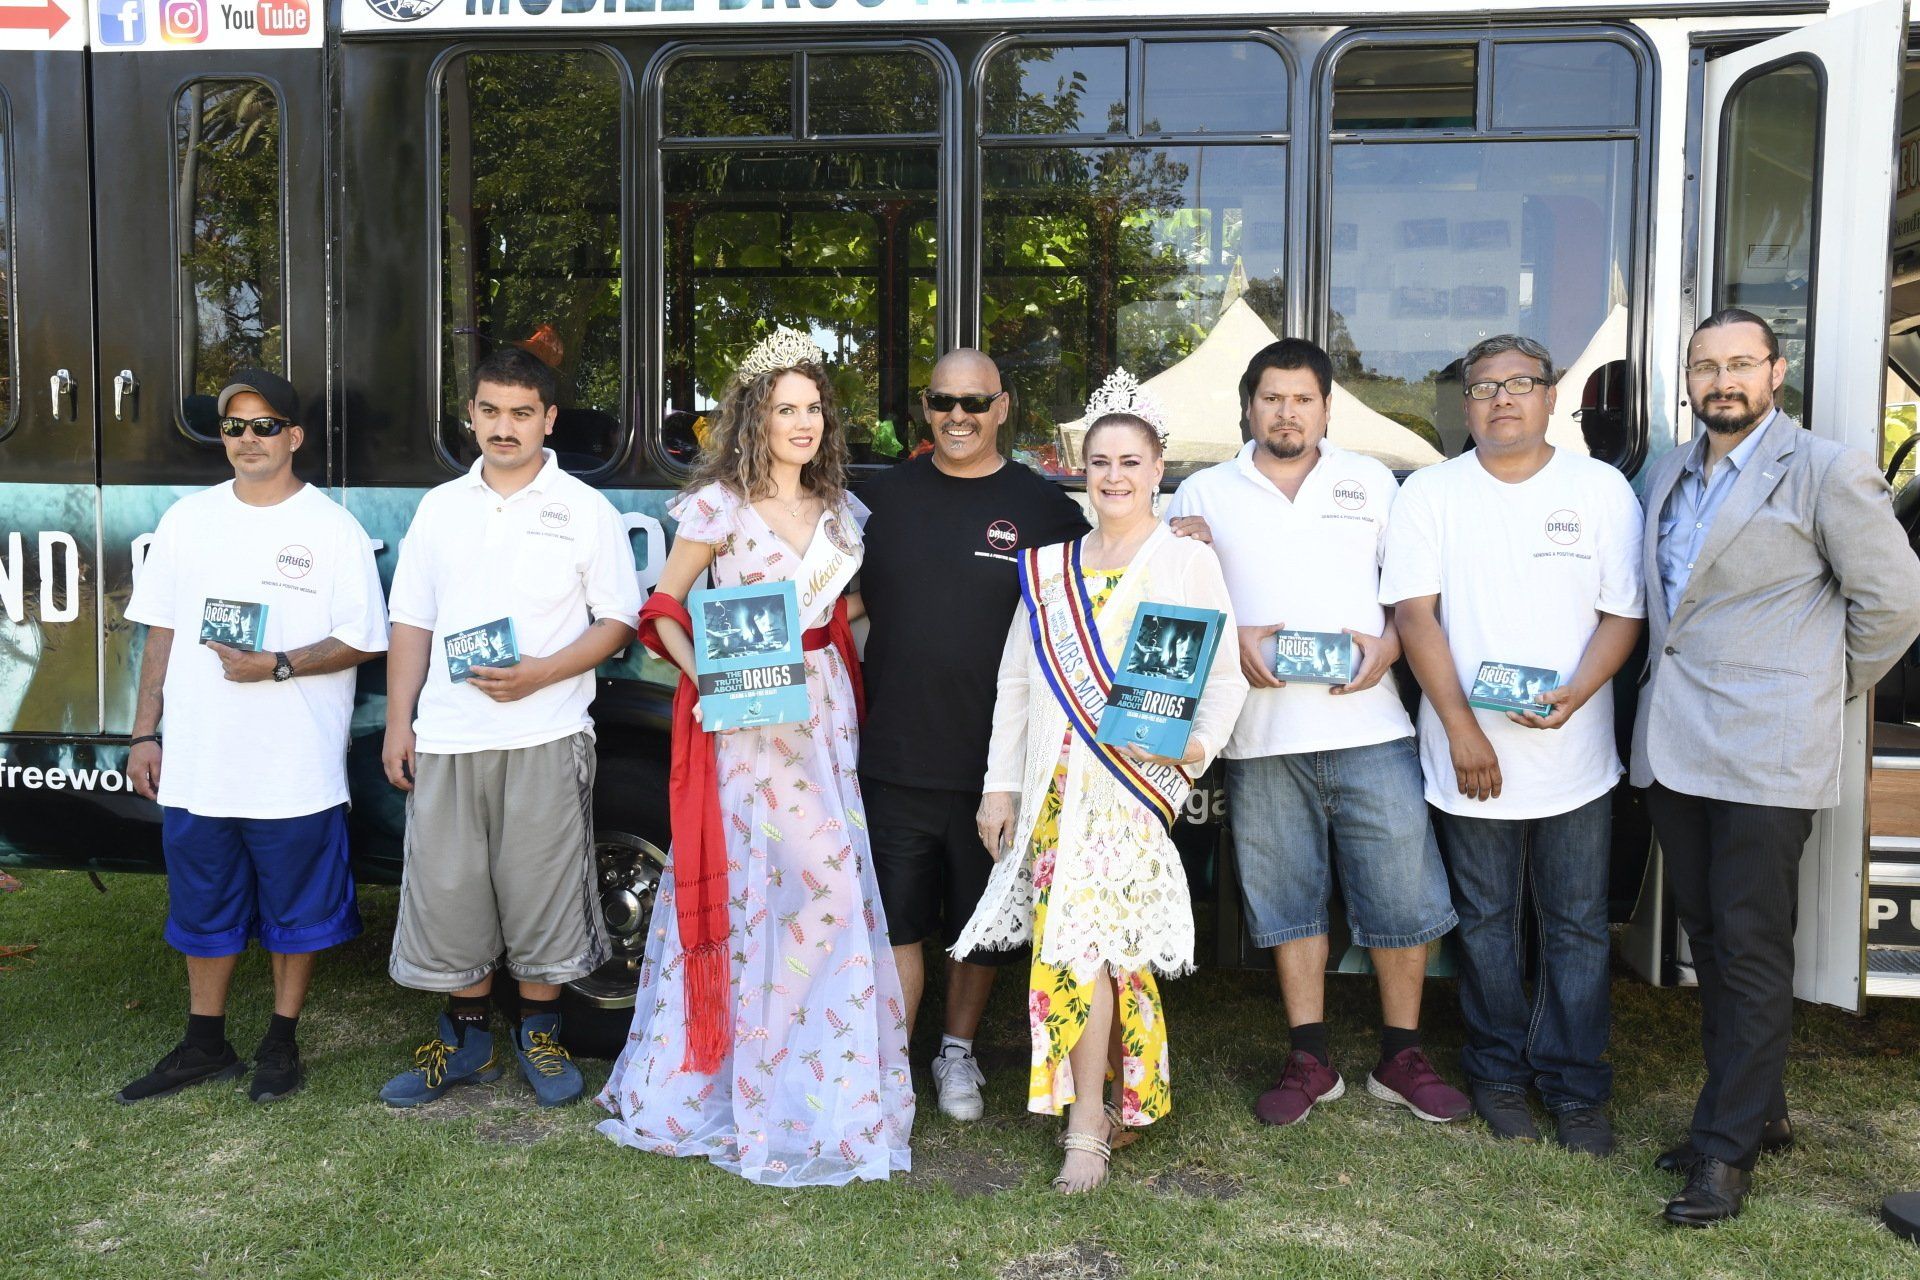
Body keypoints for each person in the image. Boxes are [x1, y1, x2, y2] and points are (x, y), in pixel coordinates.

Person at [595, 327, 915, 1186]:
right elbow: (660, 607)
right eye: (786, 410)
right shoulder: (718, 509)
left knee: (831, 893)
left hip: (824, 714)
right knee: (758, 896)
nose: (802, 424)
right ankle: (741, 1088)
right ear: (755, 419)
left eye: (813, 409)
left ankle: (818, 1085)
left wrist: (836, 658)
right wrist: (714, 684)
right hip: (744, 725)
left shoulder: (842, 511)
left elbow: (846, 615)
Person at [1634, 309, 1920, 1225]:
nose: (1723, 380)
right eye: (1706, 365)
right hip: (1675, 744)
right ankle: (1759, 1110)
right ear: (1688, 377)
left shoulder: (1828, 470)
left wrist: (1821, 688)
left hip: (1769, 750)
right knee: (1709, 940)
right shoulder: (1669, 469)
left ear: (1776, 372)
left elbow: (1894, 604)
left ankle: (1724, 1155)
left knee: (1751, 948)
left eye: (1741, 365)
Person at [955, 372, 1248, 1193]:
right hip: (1057, 784)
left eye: (1131, 461)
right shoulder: (1051, 568)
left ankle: (1094, 1116)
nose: (1114, 476)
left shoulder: (1185, 561)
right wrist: (999, 787)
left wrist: (1191, 751)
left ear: (1160, 470)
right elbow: (1017, 682)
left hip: (1131, 788)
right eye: (1100, 462)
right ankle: (1100, 1111)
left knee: (1108, 951)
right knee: (1080, 947)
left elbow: (1224, 679)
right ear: (1080, 469)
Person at [1166, 338, 1467, 1129]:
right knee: (1287, 901)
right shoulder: (1202, 492)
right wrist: (1231, 640)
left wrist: (1389, 649)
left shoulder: (1371, 482)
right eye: (1272, 398)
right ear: (1248, 407)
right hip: (1261, 736)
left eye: (1302, 398)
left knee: (1403, 895)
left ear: (1327, 408)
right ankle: (1310, 1057)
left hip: (1370, 725)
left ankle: (1401, 1056)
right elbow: (1172, 599)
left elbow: (1410, 595)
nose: (1286, 412)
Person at [1380, 334, 1644, 1156]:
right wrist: (1460, 728)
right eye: (1485, 388)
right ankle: (1497, 1072)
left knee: (1575, 924)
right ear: (1467, 406)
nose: (1502, 400)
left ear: (1550, 396)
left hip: (1574, 757)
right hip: (1470, 757)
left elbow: (1623, 615)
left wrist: (1579, 694)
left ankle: (1575, 1084)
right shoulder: (1431, 493)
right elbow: (1414, 616)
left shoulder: (1601, 491)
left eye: (1520, 384)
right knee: (1487, 923)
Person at [379, 346, 640, 1109]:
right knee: (451, 892)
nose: (504, 427)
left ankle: (542, 1037)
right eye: (490, 410)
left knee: (542, 895)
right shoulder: (440, 508)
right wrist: (402, 724)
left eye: (522, 413)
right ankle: (462, 1042)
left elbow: (618, 621)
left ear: (548, 420)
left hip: (546, 734)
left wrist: (541, 673)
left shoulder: (584, 510)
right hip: (450, 736)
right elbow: (411, 621)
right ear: (471, 415)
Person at [119, 368, 387, 1105]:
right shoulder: (186, 521)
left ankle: (280, 1041)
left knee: (295, 912)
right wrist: (145, 732)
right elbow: (162, 632)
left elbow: (365, 640)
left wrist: (278, 665)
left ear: (294, 437)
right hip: (202, 763)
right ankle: (204, 1044)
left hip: (292, 768)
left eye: (265, 425)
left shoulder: (331, 529)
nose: (247, 439)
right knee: (201, 905)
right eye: (234, 426)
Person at [858, 347, 1089, 1121]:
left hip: (998, 762)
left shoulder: (1045, 506)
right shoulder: (885, 499)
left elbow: (1105, 585)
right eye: (942, 402)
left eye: (974, 403)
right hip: (893, 750)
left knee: (980, 924)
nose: (958, 417)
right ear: (925, 409)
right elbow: (838, 599)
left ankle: (955, 1054)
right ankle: (893, 1064)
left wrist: (1181, 534)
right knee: (896, 918)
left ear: (1003, 407)